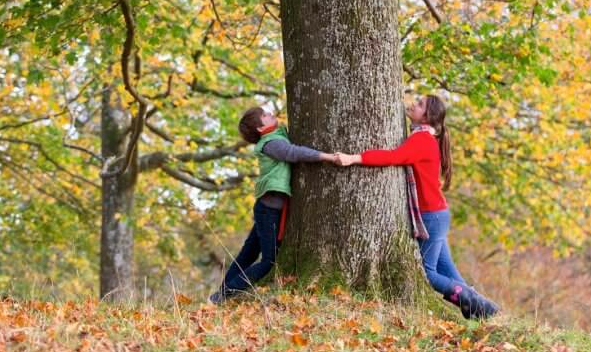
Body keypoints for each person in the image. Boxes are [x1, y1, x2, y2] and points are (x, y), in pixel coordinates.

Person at [343, 95, 500, 319]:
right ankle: (483, 313)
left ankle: (485, 309)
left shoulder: (422, 140)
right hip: (437, 214)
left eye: (419, 104)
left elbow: (393, 157)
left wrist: (355, 158)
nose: (413, 104)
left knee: (428, 273)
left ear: (427, 116)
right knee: (448, 272)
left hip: (432, 217)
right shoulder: (424, 137)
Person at [210, 106, 348, 304]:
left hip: (267, 209)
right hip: (268, 211)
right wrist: (328, 157)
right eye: (265, 115)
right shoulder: (271, 144)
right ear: (260, 128)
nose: (270, 114)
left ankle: (222, 292)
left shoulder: (276, 136)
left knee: (248, 253)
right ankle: (226, 293)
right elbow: (294, 153)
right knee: (268, 261)